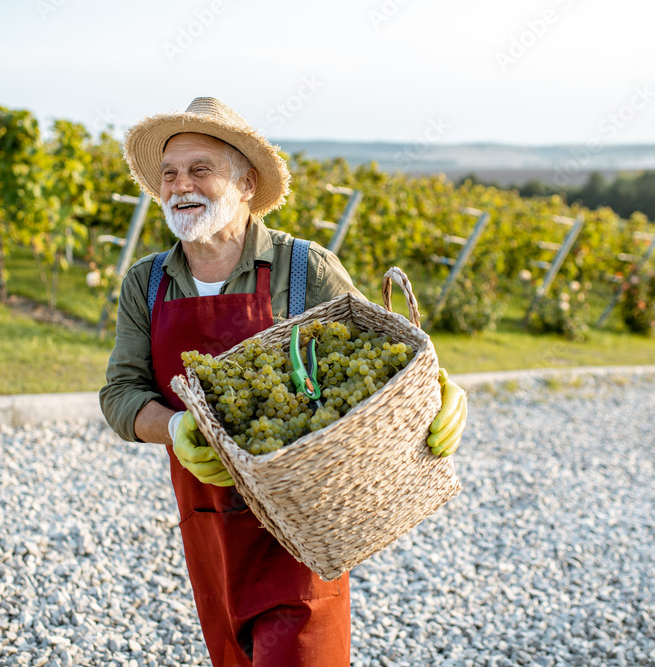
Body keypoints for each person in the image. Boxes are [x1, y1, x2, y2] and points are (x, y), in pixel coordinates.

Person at [99, 97, 466, 666]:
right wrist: (175, 426)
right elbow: (120, 395)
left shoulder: (304, 269)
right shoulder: (147, 284)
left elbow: (384, 361)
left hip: (305, 529)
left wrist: (439, 393)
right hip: (208, 527)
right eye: (169, 173)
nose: (180, 185)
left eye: (201, 169)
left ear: (245, 183)